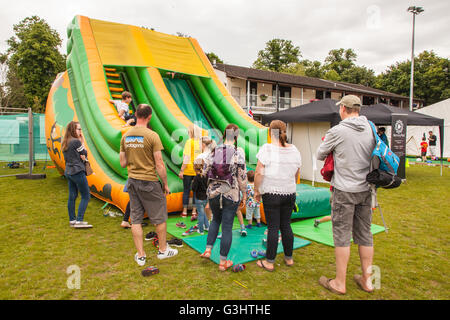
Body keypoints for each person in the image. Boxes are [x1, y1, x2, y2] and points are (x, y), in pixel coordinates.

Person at [316, 95, 376, 294]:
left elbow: (319, 154)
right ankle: (368, 281)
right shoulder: (371, 128)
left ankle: (339, 283)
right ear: (358, 109)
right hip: (366, 189)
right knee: (365, 234)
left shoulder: (338, 130)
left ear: (343, 108)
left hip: (344, 190)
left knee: (342, 236)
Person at [120, 104, 178, 266]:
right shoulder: (152, 136)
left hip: (132, 181)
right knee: (160, 218)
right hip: (149, 182)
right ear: (149, 117)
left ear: (136, 114)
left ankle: (141, 255)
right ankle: (162, 250)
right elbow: (159, 164)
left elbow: (123, 163)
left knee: (136, 219)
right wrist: (165, 184)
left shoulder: (126, 136)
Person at [254, 120, 301, 271]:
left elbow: (259, 172)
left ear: (270, 132)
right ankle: (289, 258)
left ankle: (269, 261)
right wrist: (292, 186)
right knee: (286, 225)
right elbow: (297, 172)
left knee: (273, 227)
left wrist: (256, 191)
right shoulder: (294, 149)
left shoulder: (267, 149)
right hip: (289, 193)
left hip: (272, 193)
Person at [200, 124, 247, 271]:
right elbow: (242, 175)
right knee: (227, 226)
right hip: (230, 193)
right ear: (236, 136)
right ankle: (223, 262)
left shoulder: (214, 151)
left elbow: (203, 170)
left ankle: (208, 250)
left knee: (215, 220)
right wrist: (244, 193)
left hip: (214, 192)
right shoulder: (238, 151)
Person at [61, 121, 92, 228]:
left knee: (72, 196)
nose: (80, 131)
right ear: (73, 130)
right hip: (77, 171)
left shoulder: (65, 141)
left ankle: (72, 220)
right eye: (78, 129)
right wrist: (82, 142)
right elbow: (84, 154)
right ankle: (79, 220)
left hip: (69, 171)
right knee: (86, 196)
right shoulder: (76, 142)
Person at [179, 125, 202, 220]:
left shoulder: (189, 142)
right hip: (197, 171)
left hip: (188, 170)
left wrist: (181, 170)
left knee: (186, 191)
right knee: (196, 192)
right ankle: (194, 211)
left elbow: (187, 157)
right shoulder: (199, 143)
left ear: (191, 132)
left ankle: (184, 212)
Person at [191, 160, 209, 235]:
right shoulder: (206, 176)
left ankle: (200, 230)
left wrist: (193, 183)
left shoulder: (197, 178)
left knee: (200, 214)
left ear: (195, 168)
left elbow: (194, 188)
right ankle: (207, 226)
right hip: (205, 198)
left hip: (199, 198)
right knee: (203, 212)